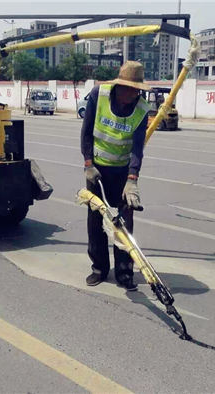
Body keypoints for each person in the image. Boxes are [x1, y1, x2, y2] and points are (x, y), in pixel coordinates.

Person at [81, 61, 151, 291]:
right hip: (97, 170)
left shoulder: (141, 109)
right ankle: (99, 269)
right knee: (96, 220)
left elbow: (137, 147)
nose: (131, 94)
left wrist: (132, 179)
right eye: (128, 89)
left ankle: (124, 272)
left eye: (135, 90)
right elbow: (87, 131)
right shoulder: (98, 95)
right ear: (119, 85)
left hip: (121, 172)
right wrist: (88, 163)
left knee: (124, 222)